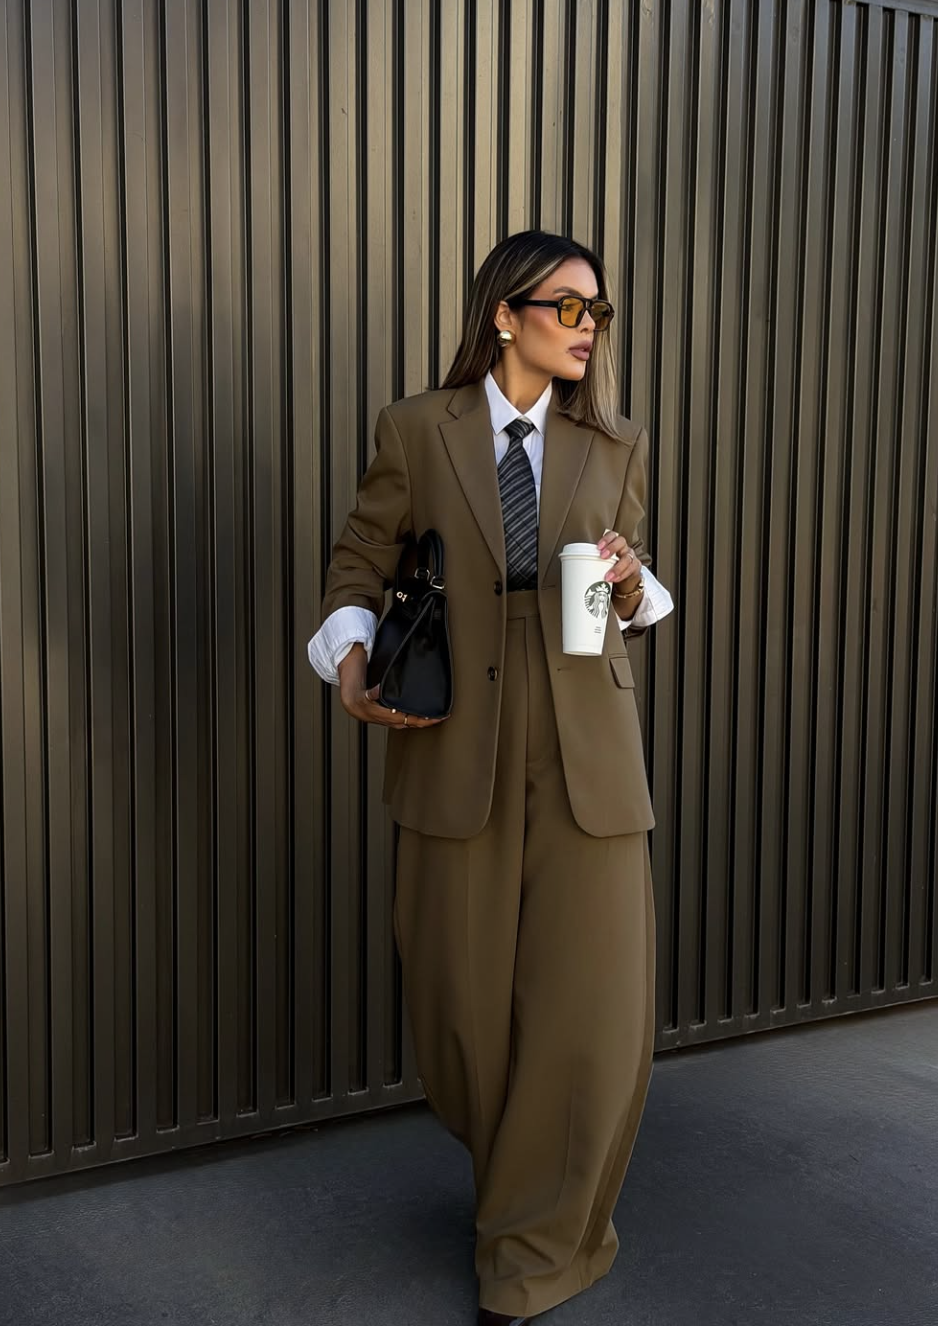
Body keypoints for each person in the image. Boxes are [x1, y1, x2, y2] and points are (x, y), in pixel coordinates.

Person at [308, 230, 673, 1325]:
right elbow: (359, 559)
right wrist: (350, 654)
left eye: (596, 312)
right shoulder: (419, 429)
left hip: (584, 736)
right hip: (457, 732)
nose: (584, 328)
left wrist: (625, 580)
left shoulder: (614, 442)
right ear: (504, 312)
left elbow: (637, 593)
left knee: (590, 1009)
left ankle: (533, 1249)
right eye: (565, 306)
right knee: (458, 1003)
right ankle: (513, 1185)